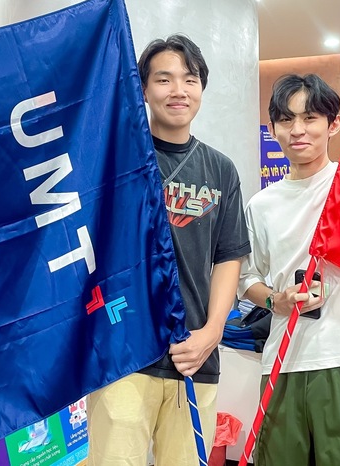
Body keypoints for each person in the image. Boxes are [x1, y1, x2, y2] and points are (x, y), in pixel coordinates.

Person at [88, 34, 251, 466]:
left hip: (193, 356)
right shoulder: (116, 160)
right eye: (164, 79)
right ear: (143, 89)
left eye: (189, 79)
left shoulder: (220, 169)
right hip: (123, 356)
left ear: (201, 89)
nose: (178, 90)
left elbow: (228, 256)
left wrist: (212, 333)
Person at [238, 73, 340, 466]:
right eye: (286, 119)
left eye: (310, 118)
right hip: (284, 358)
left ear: (333, 124)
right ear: (272, 128)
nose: (297, 130)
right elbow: (246, 278)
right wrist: (276, 301)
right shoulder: (262, 205)